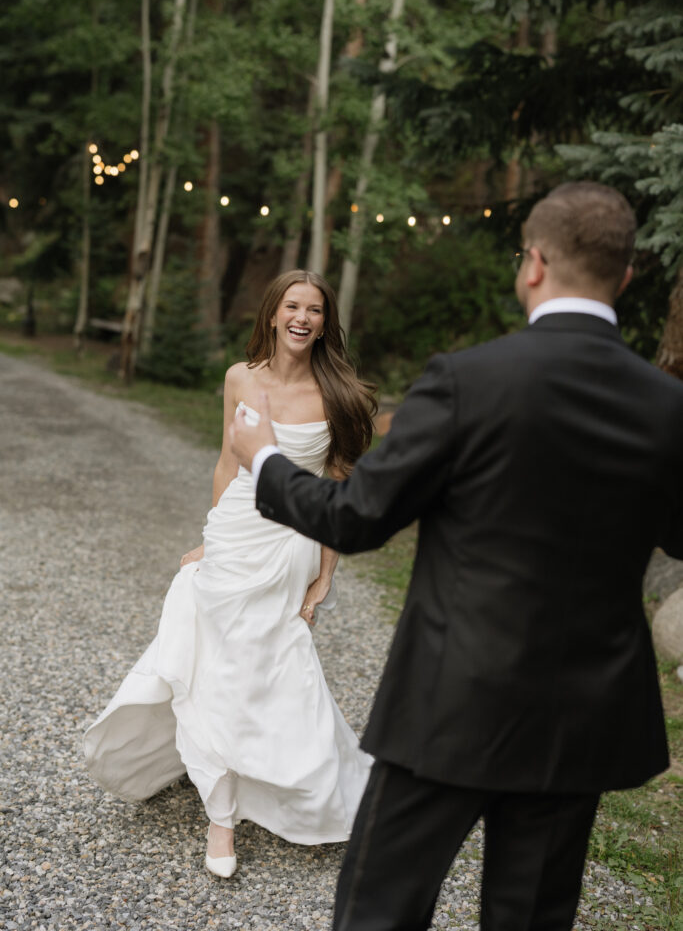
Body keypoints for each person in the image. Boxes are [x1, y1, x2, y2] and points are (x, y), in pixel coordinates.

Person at [230, 182, 683, 931]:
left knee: (381, 911)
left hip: (451, 701)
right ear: (626, 277)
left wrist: (266, 461)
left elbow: (354, 518)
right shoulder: (666, 408)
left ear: (532, 265)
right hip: (582, 716)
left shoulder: (466, 380)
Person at [84, 270, 377, 879]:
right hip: (235, 533)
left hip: (289, 541)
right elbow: (227, 460)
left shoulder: (337, 392)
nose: (303, 317)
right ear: (272, 314)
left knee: (267, 662)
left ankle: (292, 782)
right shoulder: (239, 378)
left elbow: (337, 488)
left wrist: (326, 576)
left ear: (326, 322)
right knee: (214, 661)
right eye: (292, 306)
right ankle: (221, 810)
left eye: (315, 310)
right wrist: (210, 535)